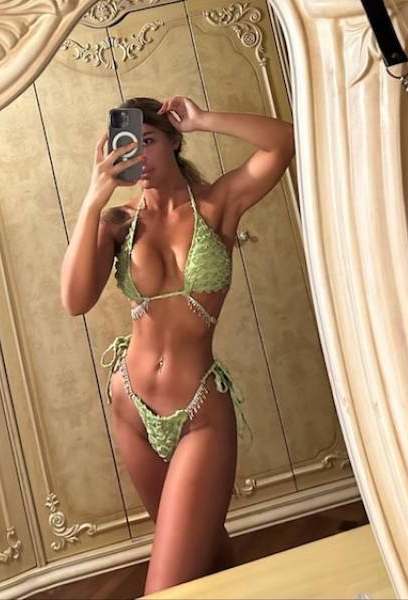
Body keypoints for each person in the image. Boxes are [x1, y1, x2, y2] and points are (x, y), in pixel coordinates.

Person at [60, 96, 294, 594]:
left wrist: (205, 118)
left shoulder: (217, 204)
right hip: (130, 406)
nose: (139, 156)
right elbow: (75, 300)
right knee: (204, 552)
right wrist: (93, 200)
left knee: (166, 585)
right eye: (128, 146)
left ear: (173, 140)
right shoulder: (118, 223)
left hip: (199, 410)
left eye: (148, 141)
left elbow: (283, 142)